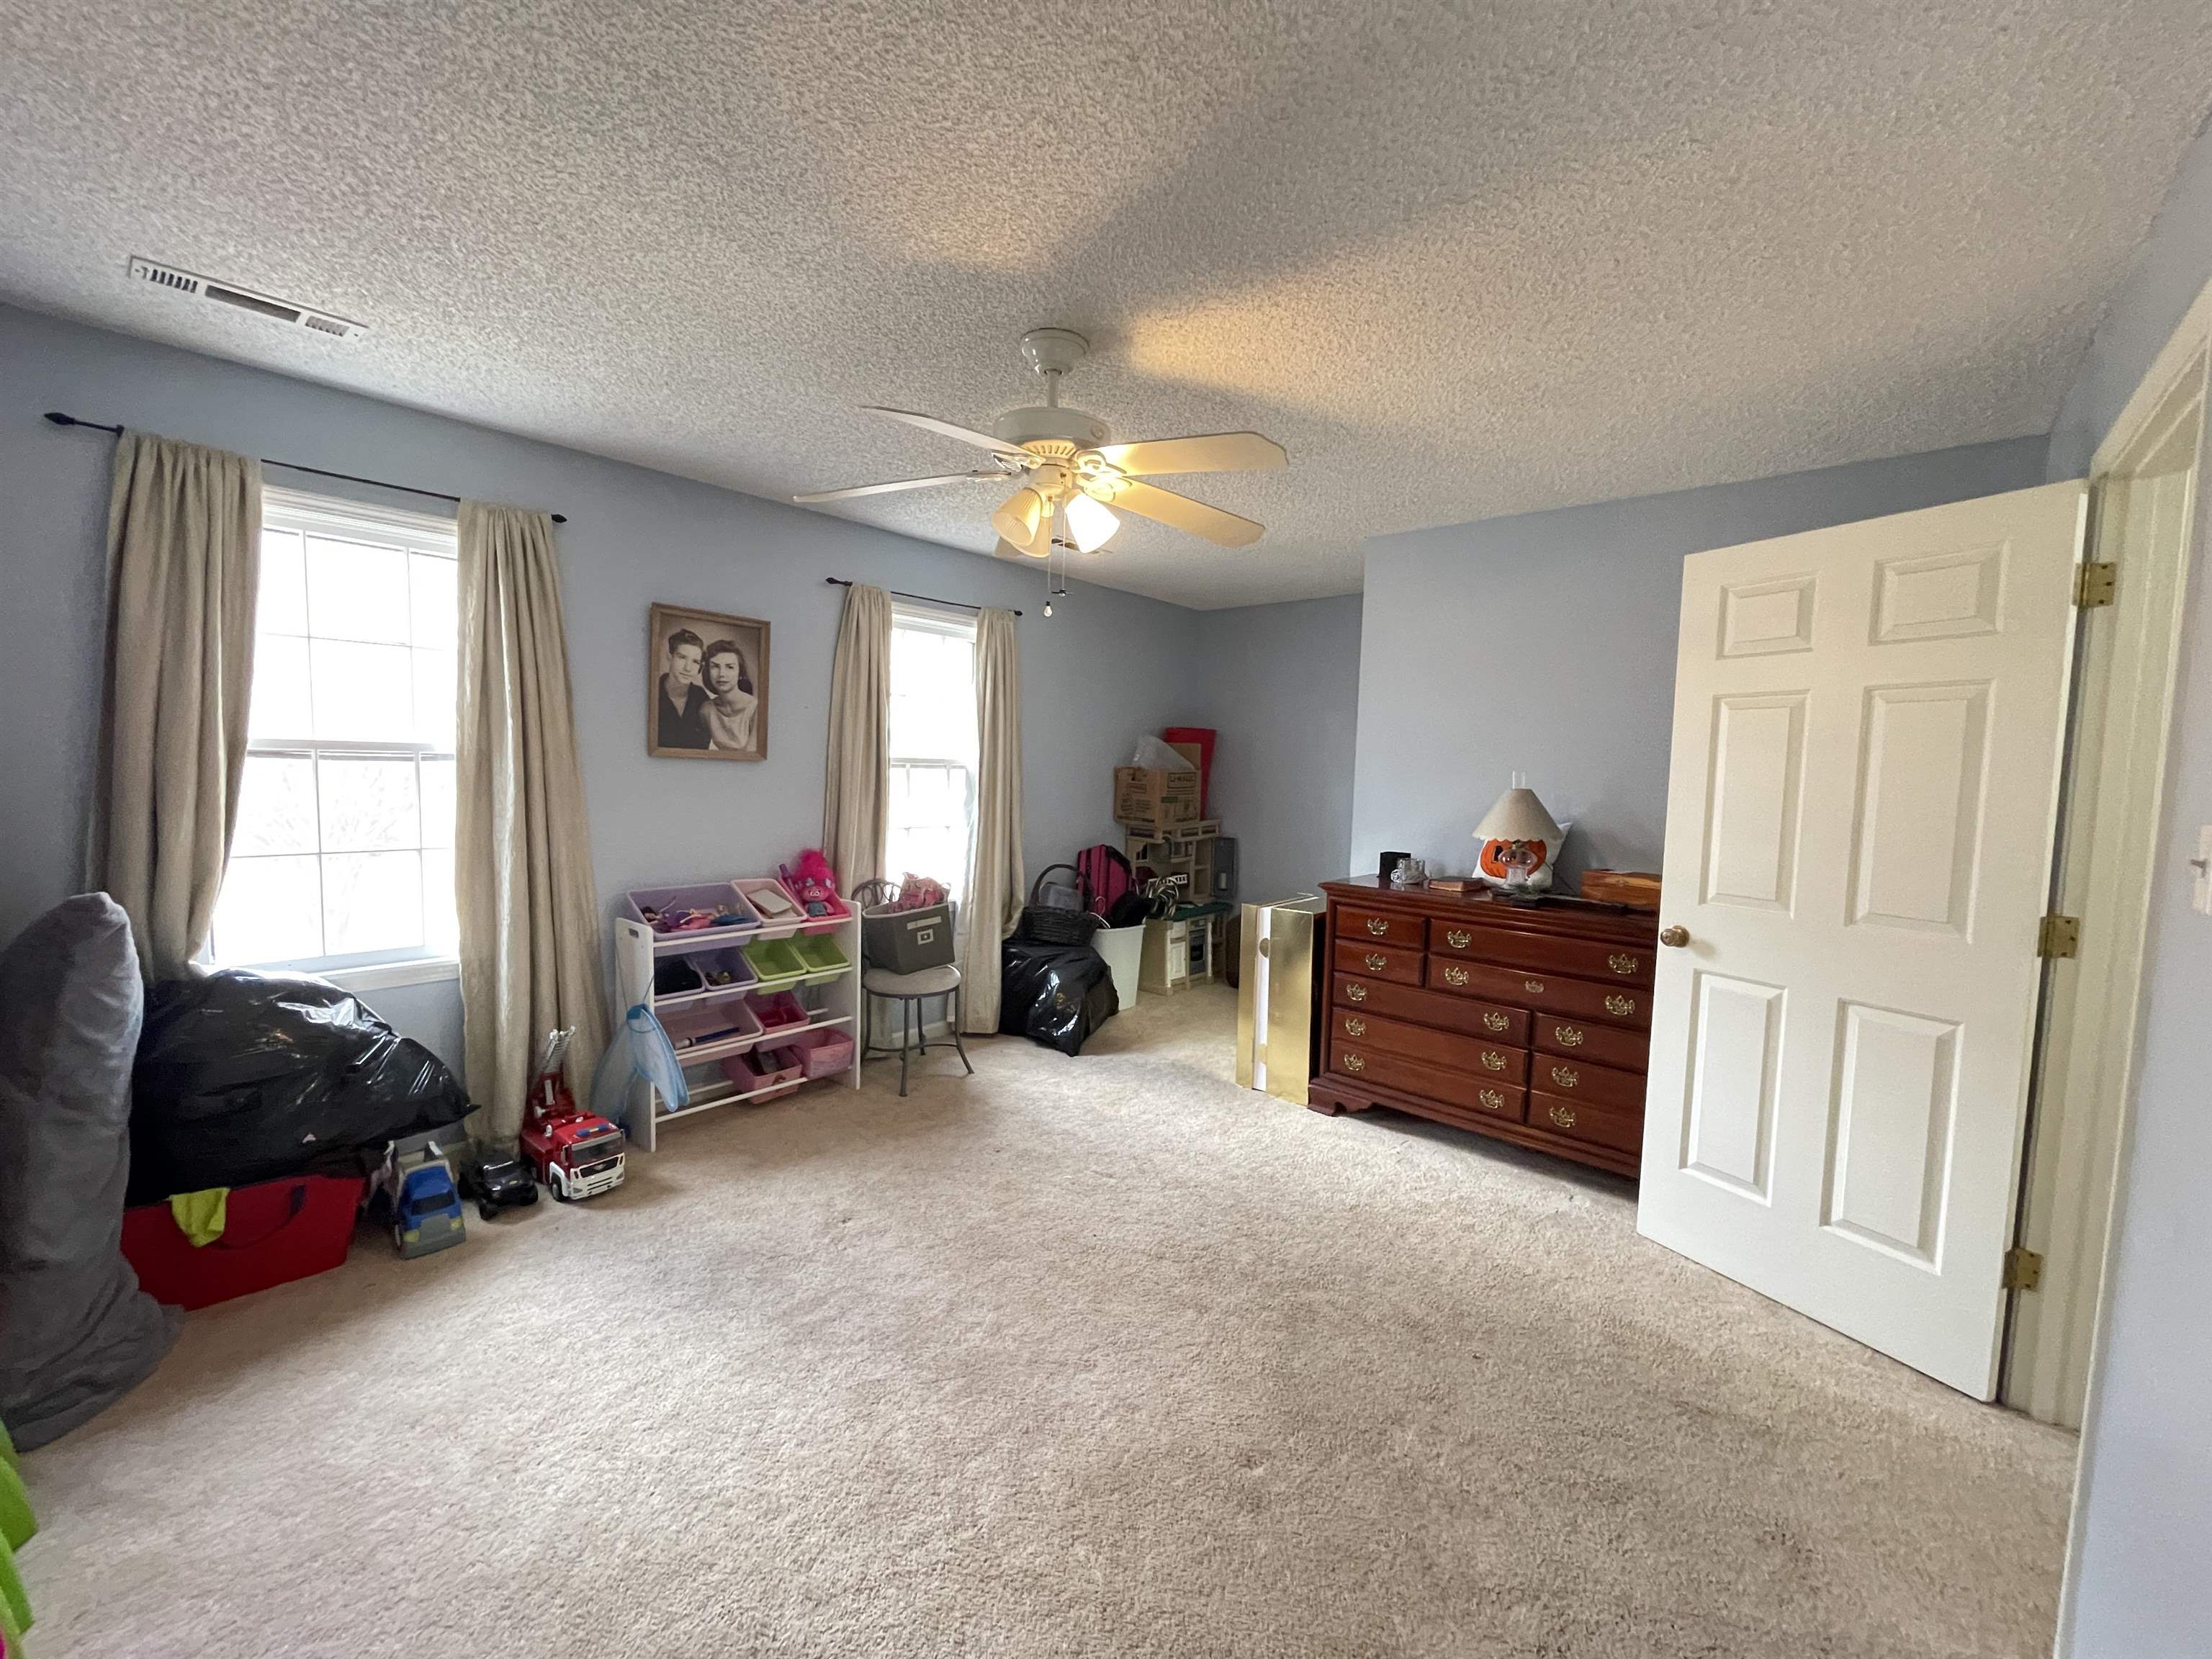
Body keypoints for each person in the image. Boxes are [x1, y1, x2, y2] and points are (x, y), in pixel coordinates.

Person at [657, 628, 712, 750]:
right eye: (682, 657)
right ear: (670, 657)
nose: (688, 668)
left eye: (695, 662)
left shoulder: (702, 698)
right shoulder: (653, 693)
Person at [702, 638, 758, 752]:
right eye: (715, 667)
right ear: (708, 672)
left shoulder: (756, 708)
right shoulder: (706, 711)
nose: (722, 674)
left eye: (730, 667)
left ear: (740, 673)